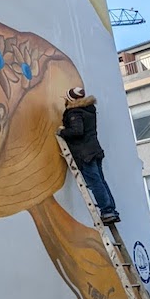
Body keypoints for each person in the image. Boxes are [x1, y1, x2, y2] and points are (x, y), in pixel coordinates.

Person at [57, 86, 119, 224]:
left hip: (84, 154)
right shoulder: (89, 110)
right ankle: (110, 210)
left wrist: (62, 132)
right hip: (94, 150)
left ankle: (107, 211)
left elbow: (77, 131)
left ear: (70, 99)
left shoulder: (74, 112)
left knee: (95, 183)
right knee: (101, 181)